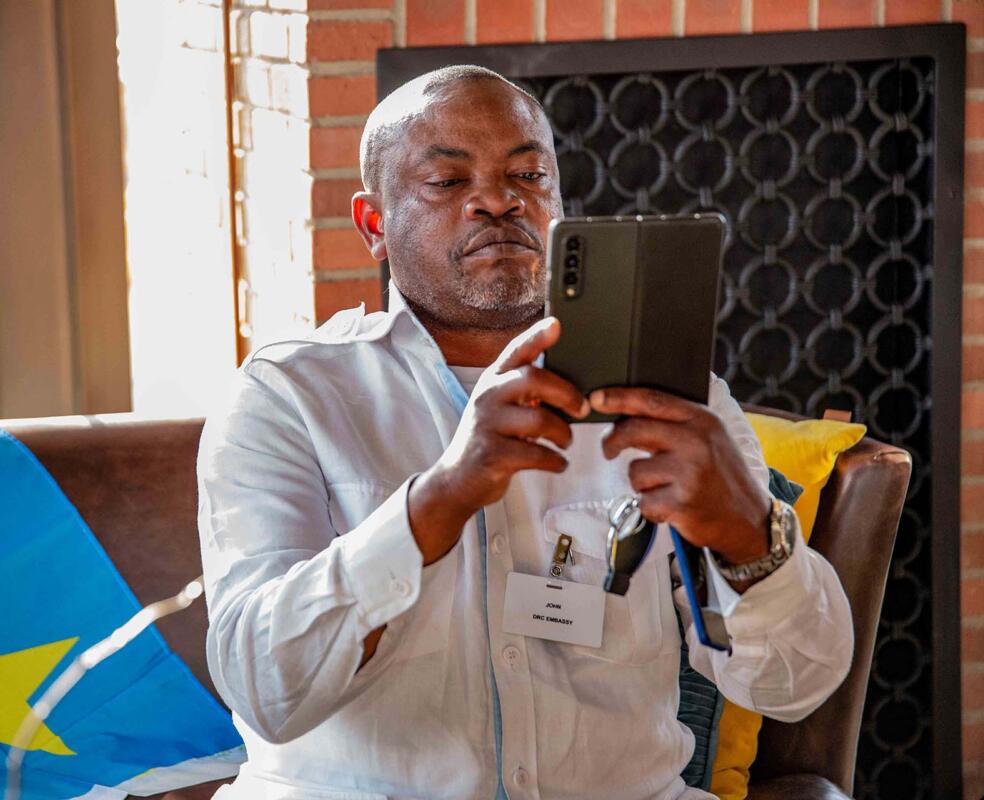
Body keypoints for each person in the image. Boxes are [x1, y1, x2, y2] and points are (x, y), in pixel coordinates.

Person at [198, 65, 854, 800]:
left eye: (529, 175)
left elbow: (797, 685)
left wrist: (749, 539)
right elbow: (265, 688)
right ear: (374, 224)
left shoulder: (674, 402)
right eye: (447, 181)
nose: (498, 200)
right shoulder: (287, 396)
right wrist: (440, 499)